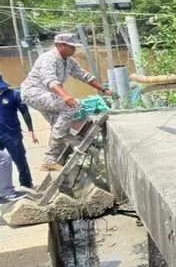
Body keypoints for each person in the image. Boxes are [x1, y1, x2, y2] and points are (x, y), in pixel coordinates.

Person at [21, 33, 114, 171]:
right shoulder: (47, 59)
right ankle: (63, 137)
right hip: (34, 93)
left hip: (48, 95)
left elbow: (83, 75)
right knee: (72, 106)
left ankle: (49, 159)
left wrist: (104, 89)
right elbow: (50, 80)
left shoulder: (69, 61)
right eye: (71, 47)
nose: (74, 50)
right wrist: (66, 96)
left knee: (58, 123)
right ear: (60, 45)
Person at [0, 74, 39, 188]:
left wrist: (31, 131)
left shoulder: (14, 95)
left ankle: (26, 184)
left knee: (20, 159)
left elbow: (25, 112)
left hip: (12, 134)